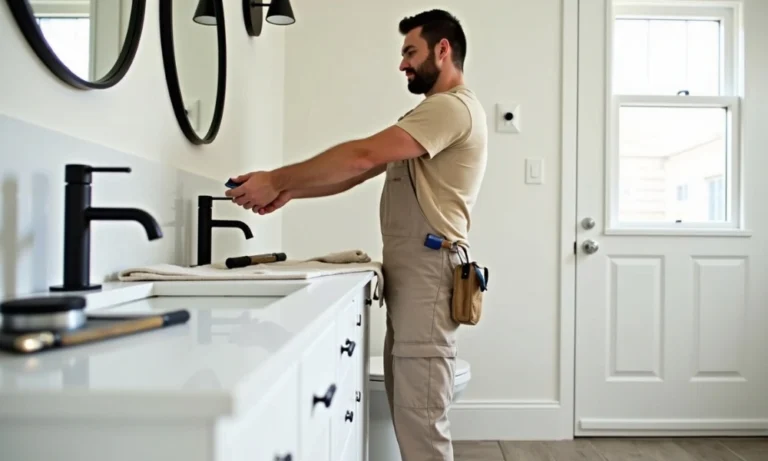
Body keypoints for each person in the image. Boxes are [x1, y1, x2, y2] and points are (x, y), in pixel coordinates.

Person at [225, 9, 487, 460]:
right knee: (412, 414)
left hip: (429, 272)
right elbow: (356, 174)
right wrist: (287, 189)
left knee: (421, 421)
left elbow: (361, 155)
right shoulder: (430, 114)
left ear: (443, 50)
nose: (402, 63)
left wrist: (278, 177)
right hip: (417, 273)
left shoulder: (451, 108)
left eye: (410, 51)